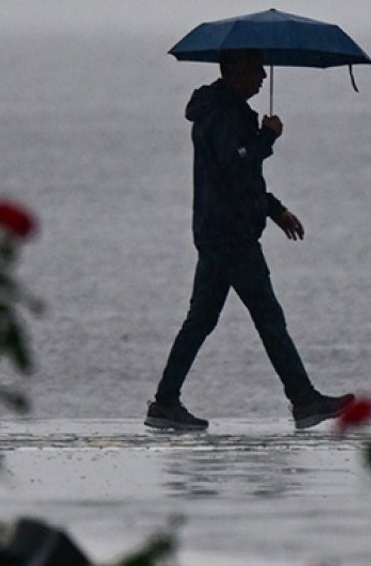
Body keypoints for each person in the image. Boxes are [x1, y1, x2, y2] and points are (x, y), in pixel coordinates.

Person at [146, 49, 353, 431]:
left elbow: (242, 179)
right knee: (268, 319)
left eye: (261, 69)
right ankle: (304, 400)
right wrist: (267, 138)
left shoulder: (226, 111)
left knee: (201, 320)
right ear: (232, 71)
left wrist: (275, 210)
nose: (261, 76)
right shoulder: (223, 115)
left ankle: (165, 402)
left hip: (218, 232)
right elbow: (234, 166)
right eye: (254, 69)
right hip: (230, 236)